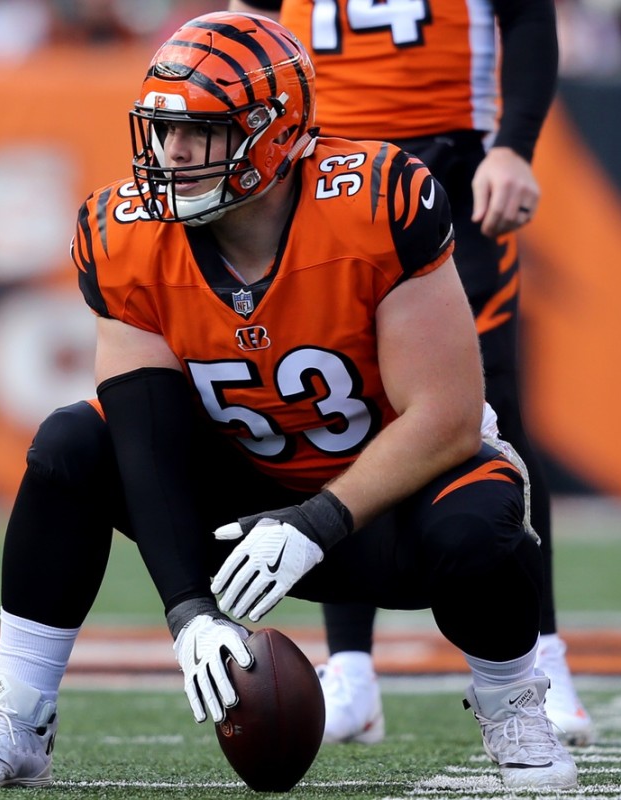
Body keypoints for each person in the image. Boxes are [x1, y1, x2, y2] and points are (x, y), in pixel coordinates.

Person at [0, 11, 578, 792]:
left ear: (271, 134)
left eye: (200, 133)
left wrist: (317, 523)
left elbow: (445, 416)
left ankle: (514, 704)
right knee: (71, 444)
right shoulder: (124, 234)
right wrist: (190, 611)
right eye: (164, 131)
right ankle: (19, 711)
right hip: (240, 514)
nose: (172, 155)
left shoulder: (377, 202)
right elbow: (143, 437)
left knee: (483, 516)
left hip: (387, 511)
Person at [227, 0, 597, 747]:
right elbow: (249, 30)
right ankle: (352, 672)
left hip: (451, 163)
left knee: (491, 417)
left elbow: (527, 16)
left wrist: (514, 145)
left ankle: (541, 659)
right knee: (336, 413)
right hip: (323, 166)